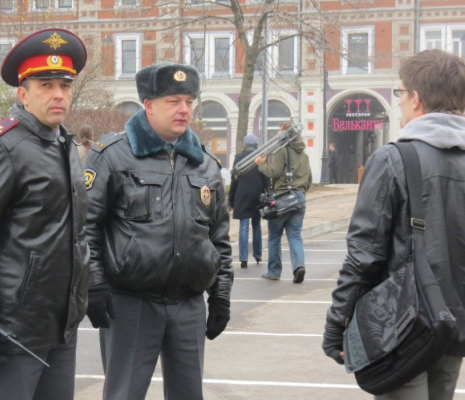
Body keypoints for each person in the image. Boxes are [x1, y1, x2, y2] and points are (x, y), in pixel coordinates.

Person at [0, 28, 89, 400]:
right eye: (46, 85)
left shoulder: (64, 144)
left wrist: (89, 290)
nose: (58, 94)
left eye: (65, 85)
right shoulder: (2, 148)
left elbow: (73, 233)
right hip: (14, 332)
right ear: (22, 93)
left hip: (60, 325)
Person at [83, 62, 233, 400]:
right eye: (173, 101)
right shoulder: (112, 156)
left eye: (189, 101)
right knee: (124, 394)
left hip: (189, 305)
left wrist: (221, 293)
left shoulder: (205, 164)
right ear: (148, 104)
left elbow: (219, 236)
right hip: (131, 303)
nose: (184, 109)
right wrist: (93, 283)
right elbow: (85, 226)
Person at [323, 49, 465, 399]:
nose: (398, 102)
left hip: (404, 325)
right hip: (455, 326)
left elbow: (364, 256)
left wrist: (337, 323)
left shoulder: (393, 159)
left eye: (400, 94)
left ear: (415, 98)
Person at [255, 122, 311, 283]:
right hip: (299, 199)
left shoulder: (281, 151)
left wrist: (261, 164)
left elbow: (273, 172)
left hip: (281, 199)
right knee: (295, 236)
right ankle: (299, 266)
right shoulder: (304, 155)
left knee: (274, 237)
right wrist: (300, 190)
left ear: (286, 135)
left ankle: (274, 271)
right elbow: (309, 180)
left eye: (280, 132)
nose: (277, 136)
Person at [228, 134, 267, 268]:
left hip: (242, 195)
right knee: (256, 225)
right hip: (257, 195)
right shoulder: (260, 158)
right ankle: (257, 255)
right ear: (256, 144)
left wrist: (231, 199)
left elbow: (234, 180)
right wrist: (268, 194)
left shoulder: (238, 158)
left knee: (243, 226)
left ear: (245, 145)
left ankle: (243, 258)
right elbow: (266, 177)